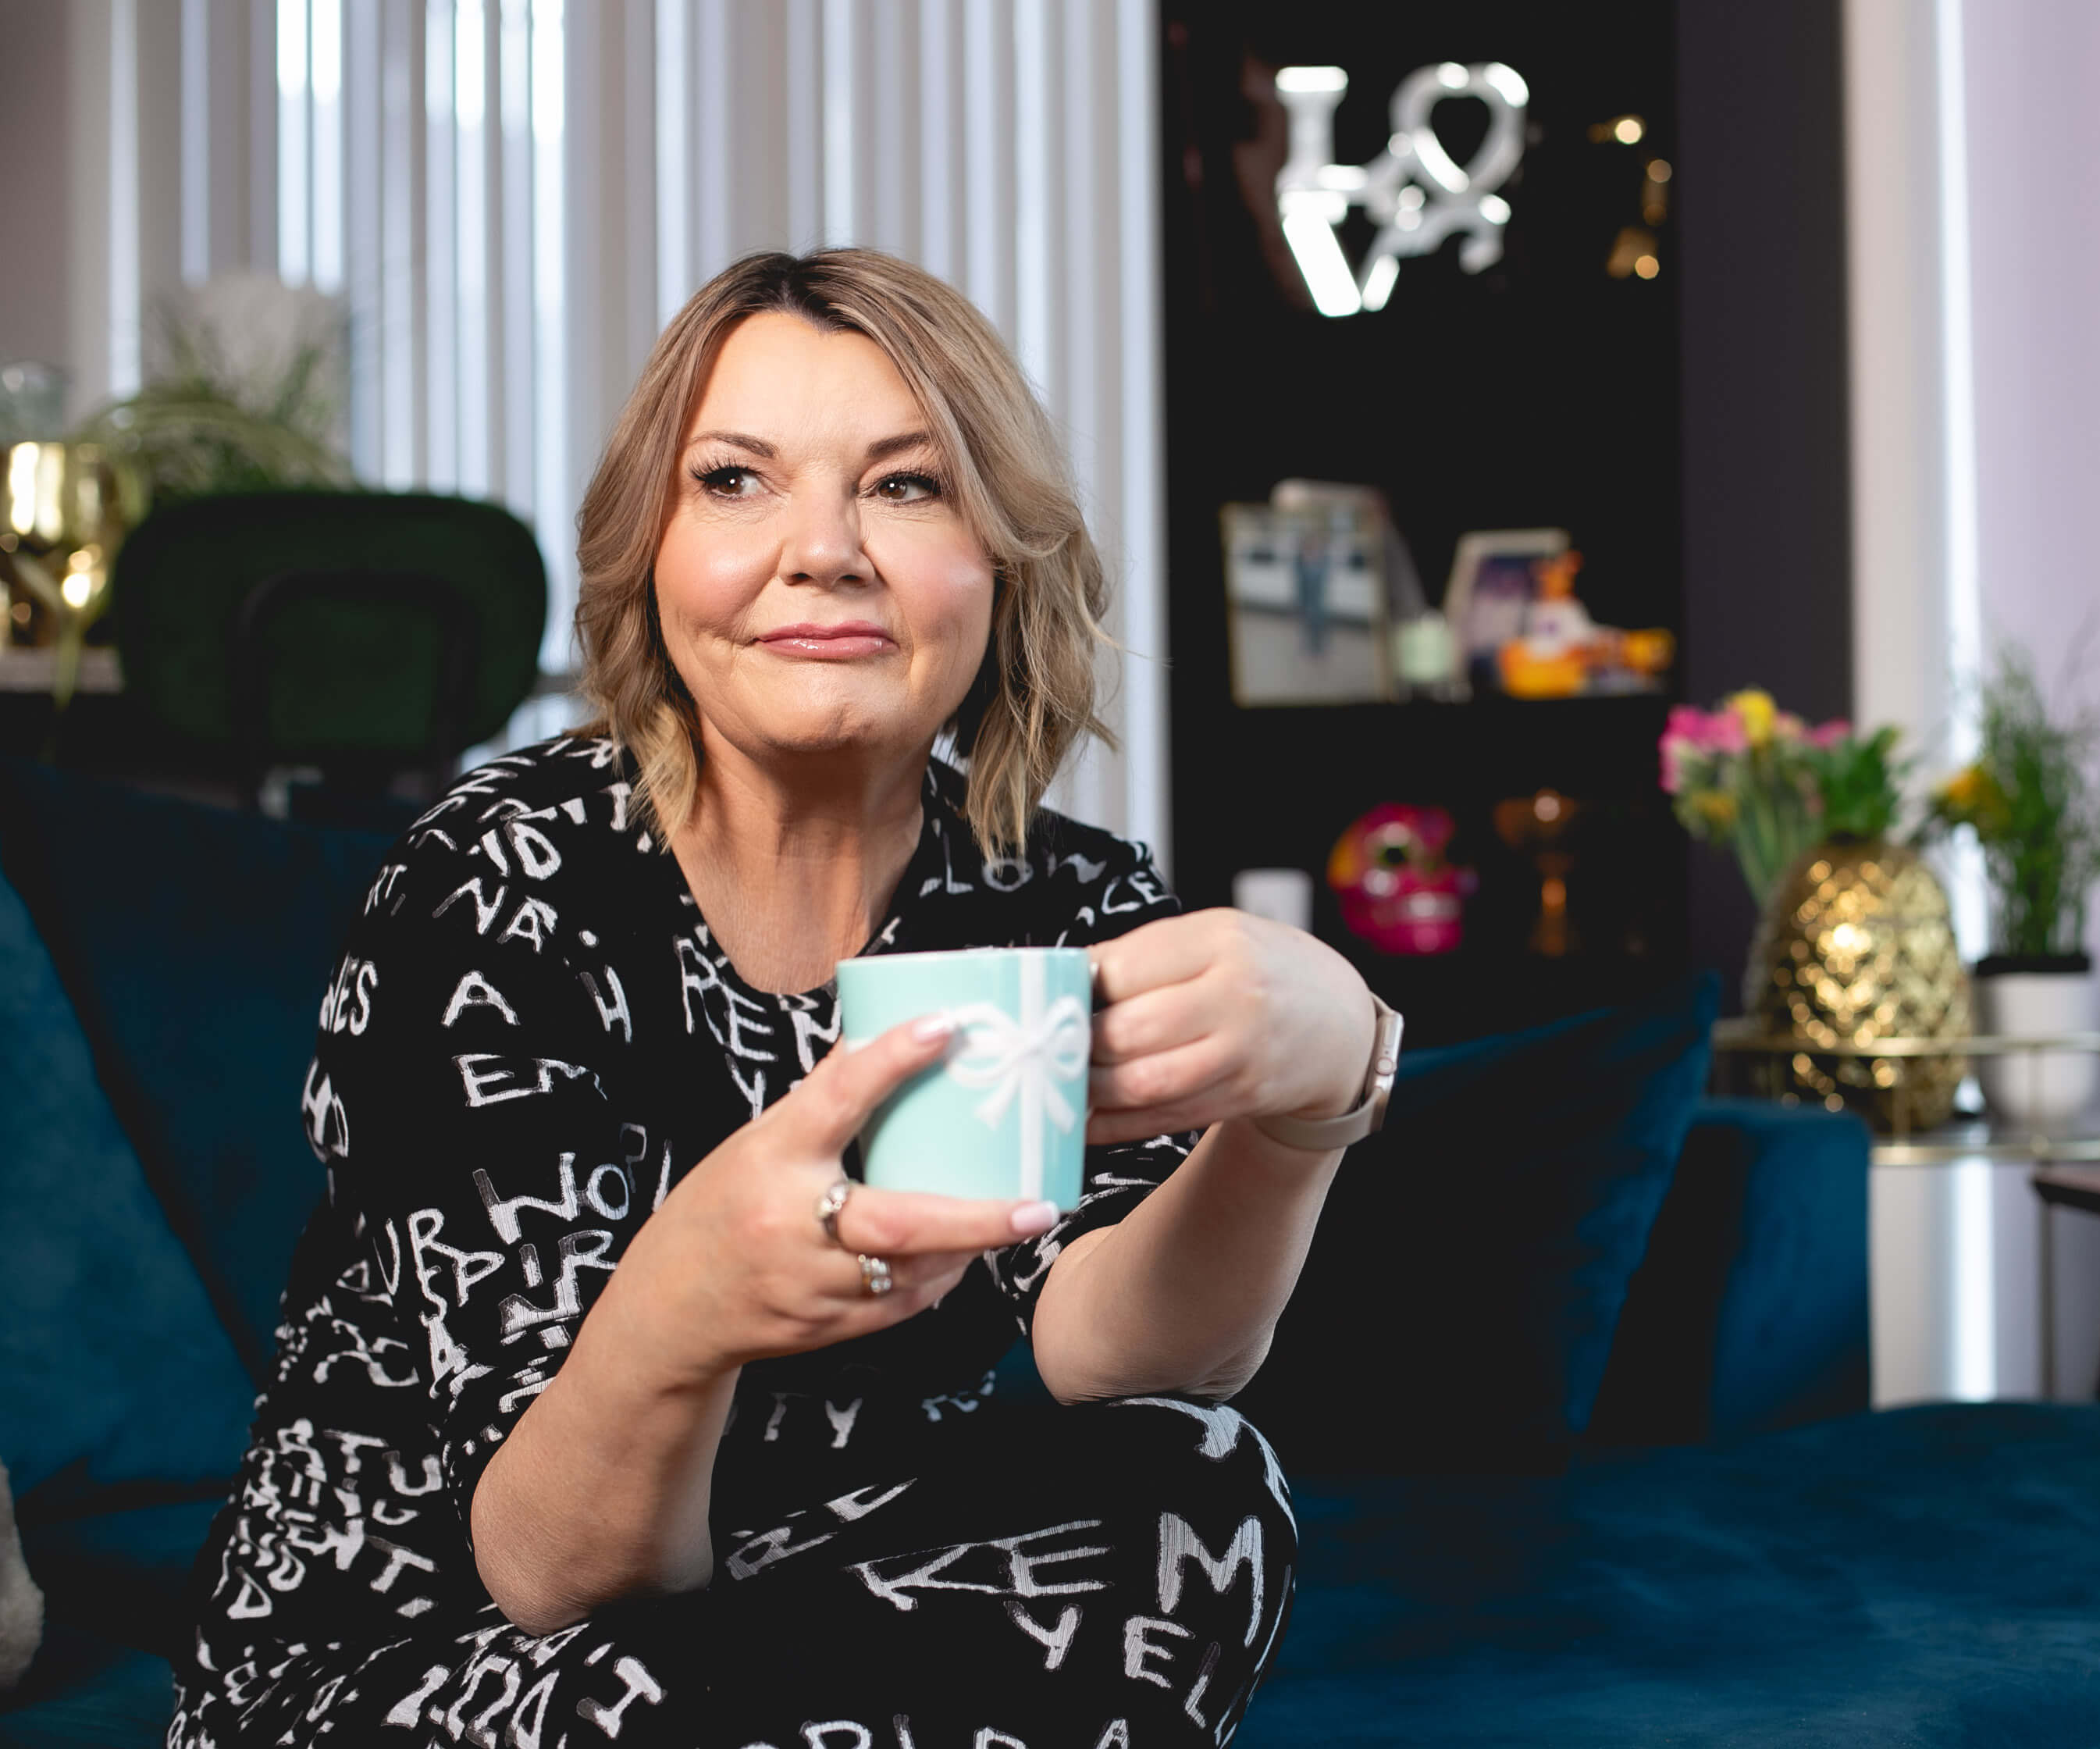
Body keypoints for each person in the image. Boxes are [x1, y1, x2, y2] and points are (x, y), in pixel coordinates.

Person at [169, 248, 1387, 1749]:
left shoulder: (1053, 899)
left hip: (813, 1603)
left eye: (907, 485)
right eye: (736, 480)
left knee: (1199, 1481)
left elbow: (1110, 1354)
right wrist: (685, 1304)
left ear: (1003, 556)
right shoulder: (499, 884)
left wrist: (1310, 1101)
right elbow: (556, 1568)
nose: (823, 550)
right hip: (445, 1651)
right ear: (652, 549)